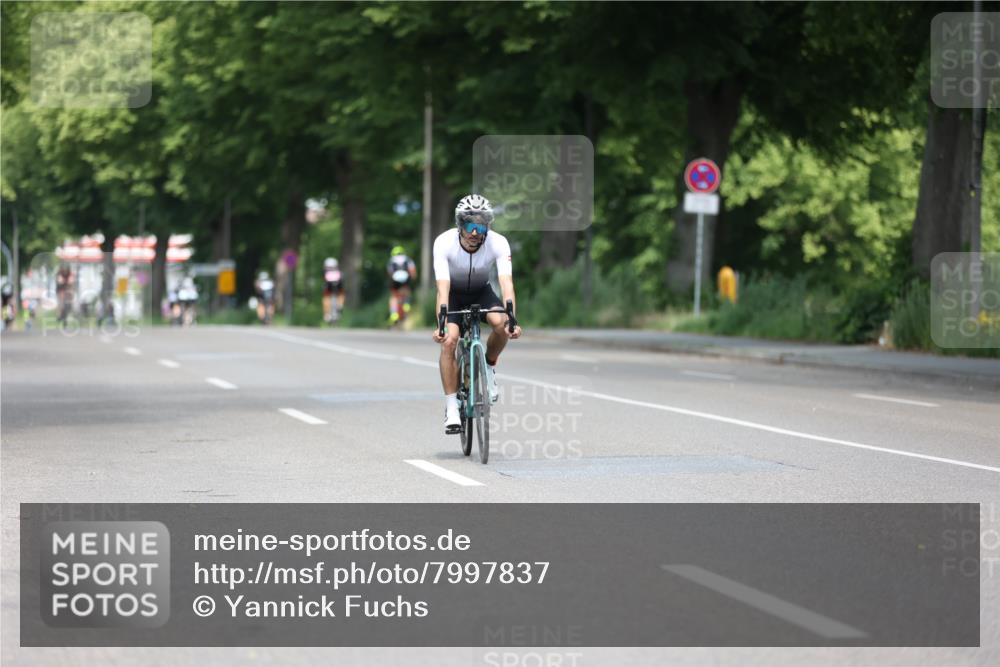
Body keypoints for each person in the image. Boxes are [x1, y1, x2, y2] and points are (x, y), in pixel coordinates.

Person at [431, 194, 521, 433]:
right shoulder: (443, 242)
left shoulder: (498, 242)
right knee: (449, 341)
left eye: (481, 225)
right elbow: (442, 288)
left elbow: (506, 284)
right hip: (453, 294)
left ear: (487, 227)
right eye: (469, 224)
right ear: (459, 224)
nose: (474, 232)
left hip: (482, 292)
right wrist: (441, 325)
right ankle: (451, 406)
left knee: (500, 324)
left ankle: (489, 367)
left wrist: (513, 320)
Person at [386, 245, 416, 326]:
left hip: (395, 278)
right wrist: (412, 279)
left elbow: (390, 272)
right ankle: (406, 304)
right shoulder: (408, 259)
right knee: (406, 291)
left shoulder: (391, 260)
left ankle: (394, 314)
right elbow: (412, 271)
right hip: (405, 278)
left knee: (394, 297)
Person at [322, 257, 344, 323]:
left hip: (336, 287)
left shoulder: (338, 272)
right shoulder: (337, 271)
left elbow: (342, 280)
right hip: (330, 288)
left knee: (340, 293)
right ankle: (327, 313)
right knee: (326, 296)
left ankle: (339, 306)